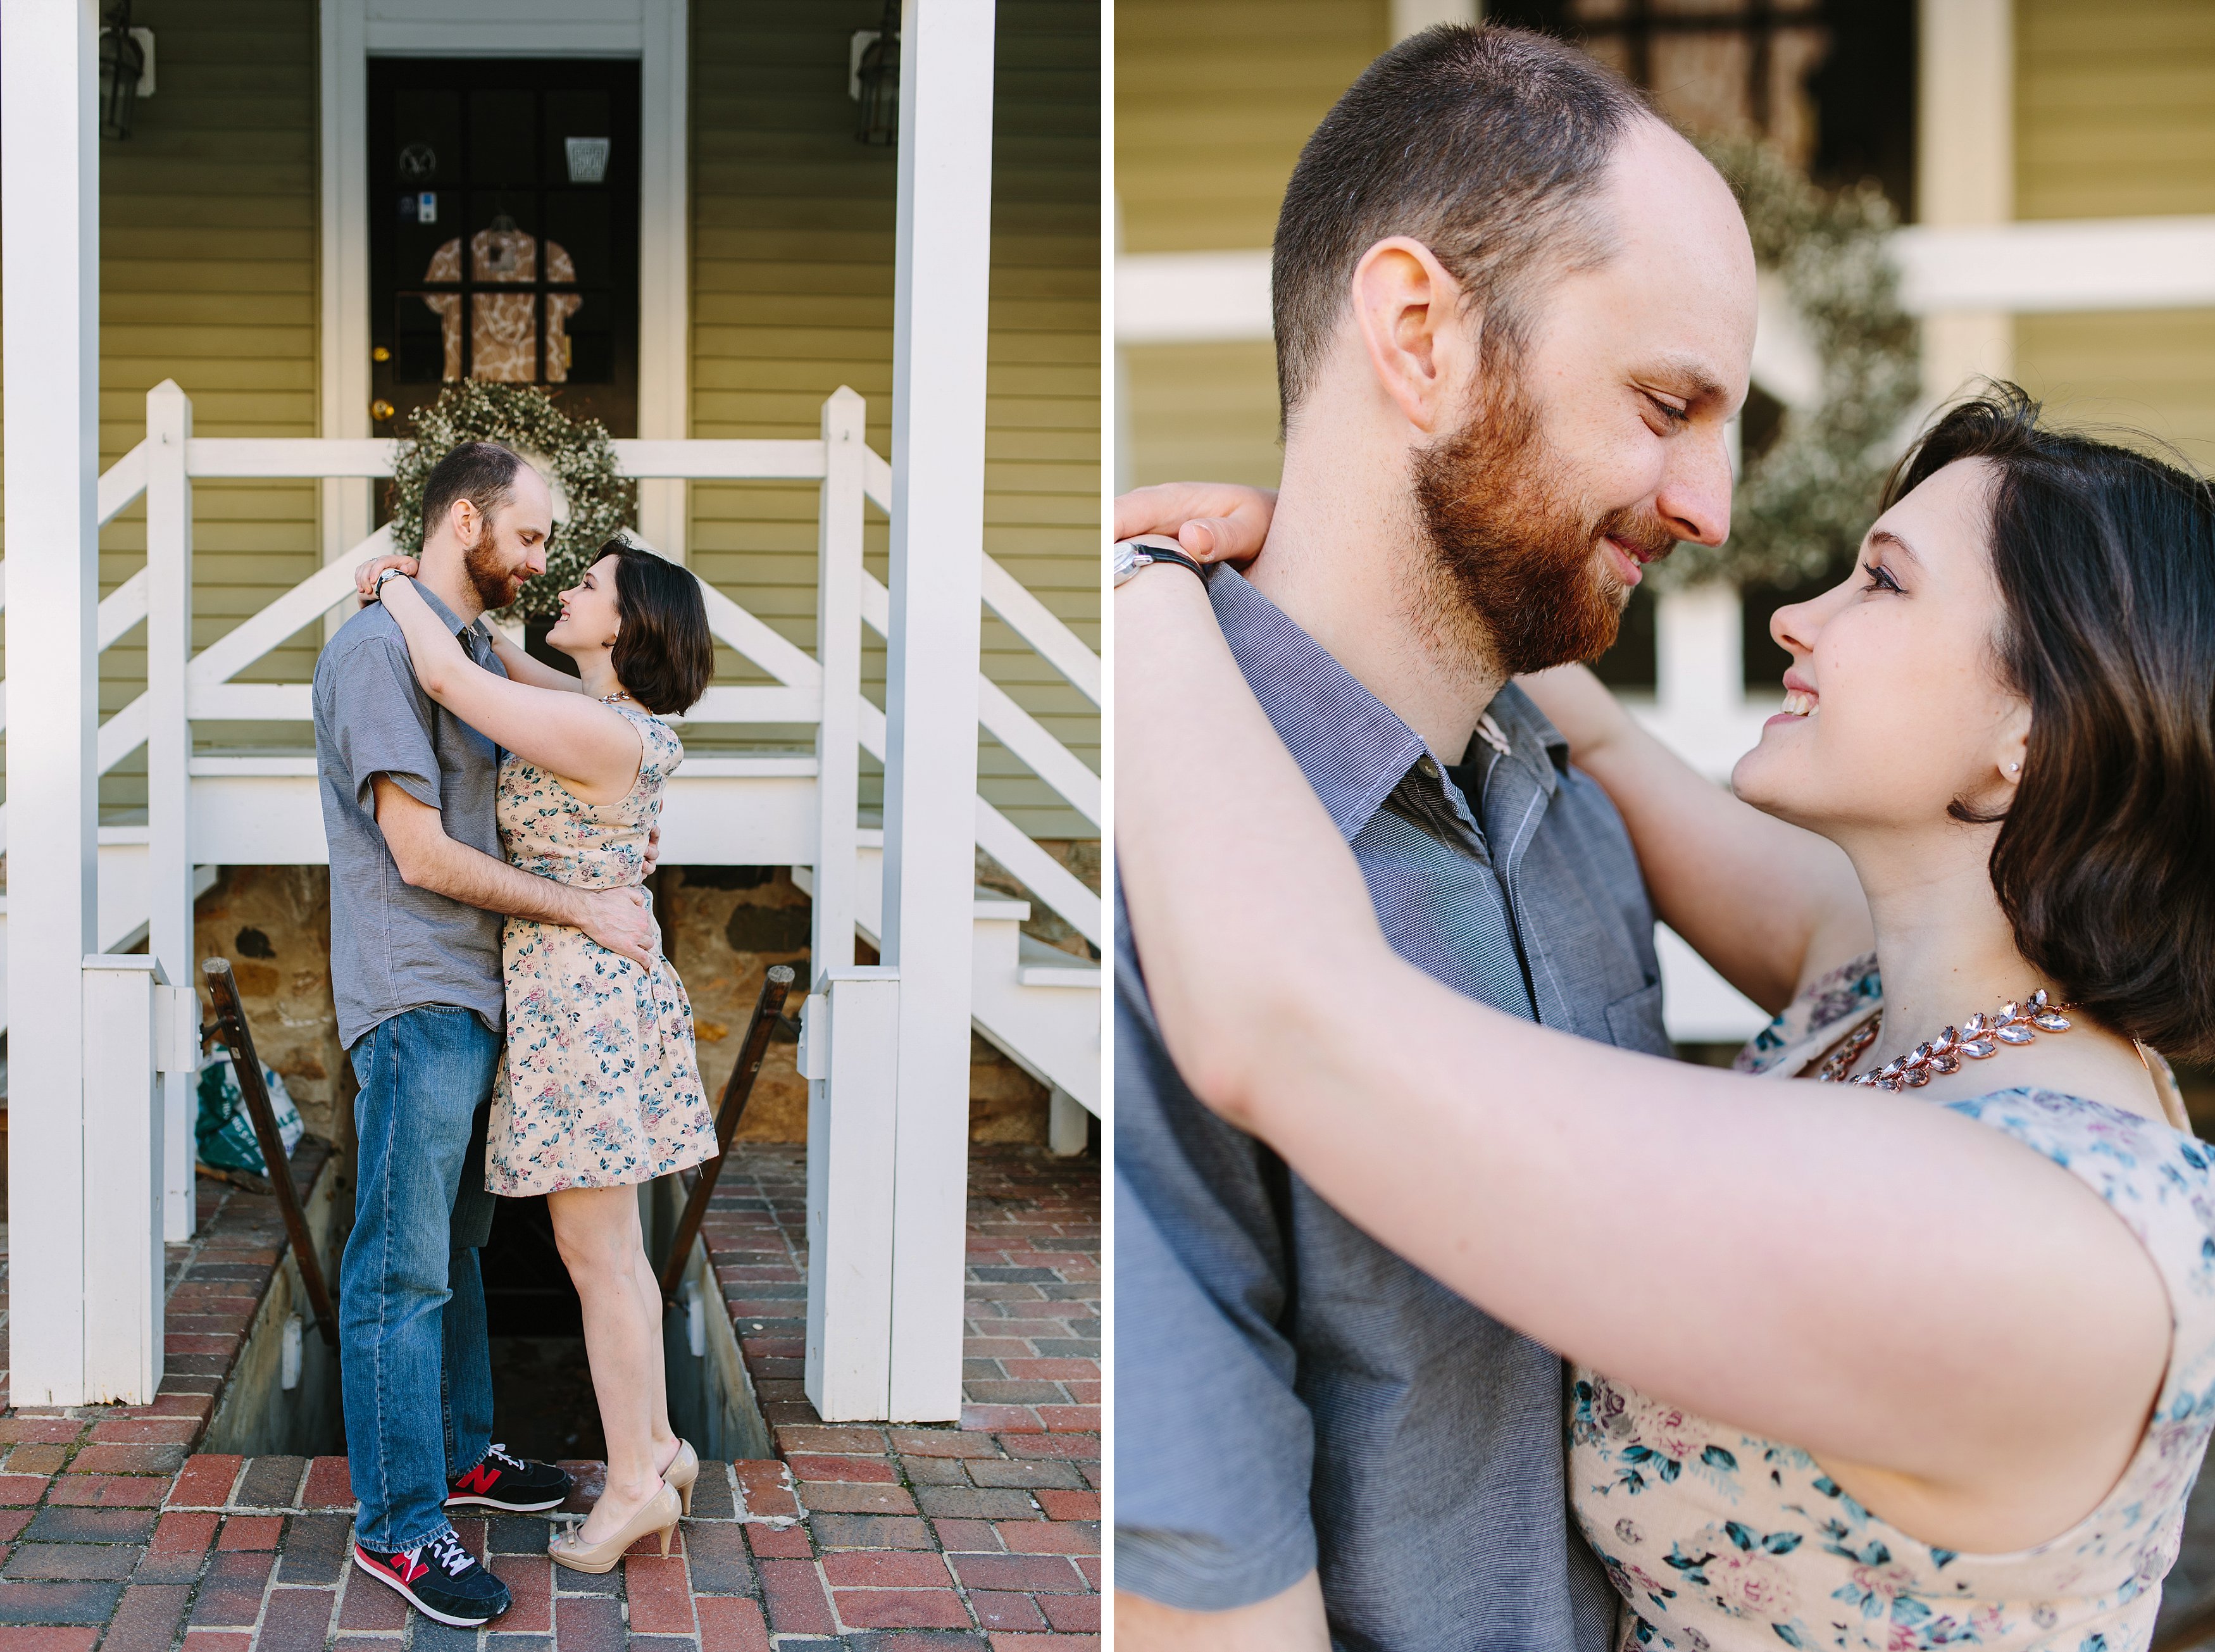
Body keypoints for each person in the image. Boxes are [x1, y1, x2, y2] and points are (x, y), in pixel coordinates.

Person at [1118, 389, 2215, 1644]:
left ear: (2031, 725)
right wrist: (1336, 582)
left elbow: (1287, 1028)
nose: (1797, 617)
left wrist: (1146, 591)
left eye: (1881, 585)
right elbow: (1618, 753)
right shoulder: (1894, 986)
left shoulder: (2035, 1251)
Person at [1112, 24, 1753, 1651]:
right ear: (1418, 334)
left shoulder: (1586, 820)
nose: (1712, 509)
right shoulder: (1149, 888)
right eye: (1668, 403)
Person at [312, 442, 663, 1627]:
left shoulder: (454, 644)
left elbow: (549, 710)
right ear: (465, 522)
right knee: (399, 1262)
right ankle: (401, 1525)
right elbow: (415, 851)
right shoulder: (378, 654)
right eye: (526, 536)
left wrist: (402, 586)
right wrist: (579, 906)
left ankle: (463, 1451)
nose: (540, 558)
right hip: (414, 990)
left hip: (479, 989)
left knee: (455, 1244)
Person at [358, 534, 720, 1575]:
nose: (568, 589)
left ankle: (633, 1485)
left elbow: (445, 673)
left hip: (581, 1001)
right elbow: (504, 666)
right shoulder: (605, 718)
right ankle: (655, 1446)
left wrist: (391, 585)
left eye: (590, 585)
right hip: (588, 994)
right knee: (615, 1255)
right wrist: (457, 613)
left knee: (596, 1257)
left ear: (627, 623)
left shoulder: (597, 733)